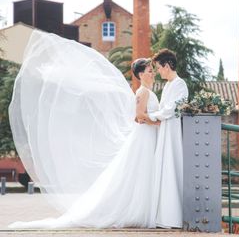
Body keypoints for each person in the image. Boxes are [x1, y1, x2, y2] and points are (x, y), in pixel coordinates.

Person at [8, 31, 161, 228]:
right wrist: (158, 122)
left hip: (148, 137)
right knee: (138, 173)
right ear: (140, 74)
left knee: (144, 173)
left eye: (152, 70)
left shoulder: (149, 91)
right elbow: (138, 116)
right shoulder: (142, 92)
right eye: (149, 70)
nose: (152, 72)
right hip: (144, 136)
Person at [141, 49, 189, 228]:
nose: (158, 72)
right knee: (163, 169)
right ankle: (163, 215)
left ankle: (172, 217)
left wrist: (151, 117)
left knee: (171, 168)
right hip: (164, 131)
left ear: (167, 66)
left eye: (159, 68)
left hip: (172, 133)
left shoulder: (180, 84)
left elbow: (171, 109)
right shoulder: (169, 85)